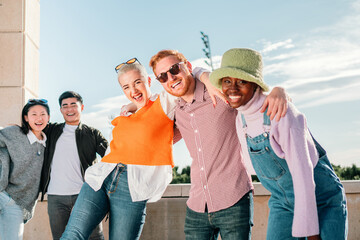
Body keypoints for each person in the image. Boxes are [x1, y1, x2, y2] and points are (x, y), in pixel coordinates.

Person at [210, 48, 348, 240]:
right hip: (282, 203)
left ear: (255, 84)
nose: (232, 88)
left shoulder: (281, 112)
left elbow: (303, 174)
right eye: (227, 81)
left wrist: (312, 233)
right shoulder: (240, 118)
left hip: (320, 200)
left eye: (241, 81)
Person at [149, 49, 288, 240]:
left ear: (187, 66)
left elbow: (255, 93)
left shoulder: (220, 93)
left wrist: (279, 91)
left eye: (174, 69)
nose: (171, 78)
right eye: (162, 77)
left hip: (234, 197)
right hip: (197, 204)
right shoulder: (176, 111)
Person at [60, 58, 185, 240]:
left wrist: (203, 75)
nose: (133, 91)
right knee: (72, 236)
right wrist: (133, 106)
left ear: (148, 81)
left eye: (137, 83)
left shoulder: (164, 103)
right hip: (101, 178)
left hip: (133, 186)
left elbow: (187, 80)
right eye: (126, 87)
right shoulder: (124, 114)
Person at [40, 91, 108, 240]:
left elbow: (111, 156)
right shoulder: (51, 131)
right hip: (55, 196)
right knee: (60, 237)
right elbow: (30, 128)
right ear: (60, 110)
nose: (69, 109)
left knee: (94, 236)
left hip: (85, 194)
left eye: (73, 105)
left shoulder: (92, 133)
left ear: (81, 107)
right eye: (65, 106)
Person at [0, 99, 50, 240]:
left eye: (42, 114)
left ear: (48, 118)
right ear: (26, 118)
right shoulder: (14, 133)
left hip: (17, 203)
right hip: (3, 194)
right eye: (33, 114)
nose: (39, 118)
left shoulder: (50, 143)